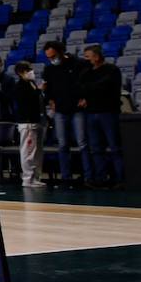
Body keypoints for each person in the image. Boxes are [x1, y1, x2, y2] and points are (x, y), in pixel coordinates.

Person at [42, 41, 89, 188]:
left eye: (54, 56)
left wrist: (85, 97)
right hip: (60, 111)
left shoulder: (78, 64)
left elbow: (87, 83)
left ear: (61, 52)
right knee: (62, 145)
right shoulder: (49, 69)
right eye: (49, 57)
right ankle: (66, 177)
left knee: (82, 143)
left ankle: (89, 177)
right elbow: (48, 88)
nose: (52, 59)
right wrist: (50, 99)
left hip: (77, 109)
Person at [77, 44, 125, 189]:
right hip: (91, 113)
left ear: (97, 57)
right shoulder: (86, 73)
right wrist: (91, 91)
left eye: (88, 57)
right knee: (96, 149)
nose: (86, 60)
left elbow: (107, 87)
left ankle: (120, 178)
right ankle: (100, 178)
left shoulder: (112, 70)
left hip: (108, 112)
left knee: (114, 147)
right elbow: (81, 88)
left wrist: (90, 91)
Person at [12, 61, 46, 188]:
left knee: (37, 152)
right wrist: (38, 91)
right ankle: (27, 178)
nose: (31, 72)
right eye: (28, 70)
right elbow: (25, 102)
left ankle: (36, 177)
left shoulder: (31, 84)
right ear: (21, 73)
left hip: (36, 121)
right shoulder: (19, 86)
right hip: (27, 123)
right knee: (28, 152)